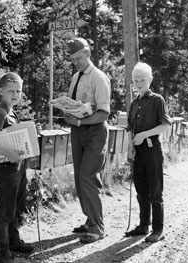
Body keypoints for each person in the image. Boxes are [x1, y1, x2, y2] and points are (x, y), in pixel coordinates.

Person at [0, 72, 33, 263]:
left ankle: (13, 241)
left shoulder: (12, 111)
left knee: (16, 207)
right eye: (10, 91)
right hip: (6, 167)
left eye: (18, 91)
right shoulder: (0, 113)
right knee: (5, 210)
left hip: (16, 167)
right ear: (0, 90)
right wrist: (9, 153)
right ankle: (2, 252)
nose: (15, 94)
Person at [64, 37, 111, 244]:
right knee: (79, 178)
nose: (77, 62)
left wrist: (80, 122)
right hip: (78, 130)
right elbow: (76, 105)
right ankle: (89, 219)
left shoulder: (98, 78)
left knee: (87, 177)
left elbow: (104, 113)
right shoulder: (76, 77)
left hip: (94, 132)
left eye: (79, 57)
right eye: (73, 59)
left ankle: (97, 227)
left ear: (88, 53)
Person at [125, 62, 172, 243]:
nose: (139, 83)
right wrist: (130, 147)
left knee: (155, 191)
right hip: (138, 152)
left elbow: (166, 125)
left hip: (153, 151)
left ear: (150, 80)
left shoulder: (157, 100)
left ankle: (158, 229)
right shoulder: (134, 103)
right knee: (141, 190)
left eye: (142, 80)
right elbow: (129, 128)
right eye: (136, 80)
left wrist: (144, 135)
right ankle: (144, 225)